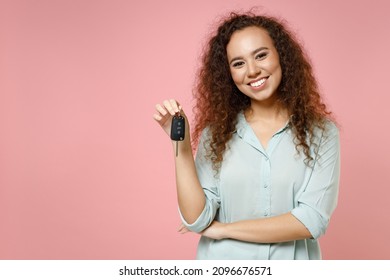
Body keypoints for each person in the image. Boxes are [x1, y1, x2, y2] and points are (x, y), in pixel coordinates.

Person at [153, 11, 340, 260]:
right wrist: (182, 146)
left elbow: (311, 221)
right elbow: (196, 219)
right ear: (228, 74)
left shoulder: (322, 133)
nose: (252, 71)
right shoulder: (216, 134)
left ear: (282, 56)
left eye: (261, 55)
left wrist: (223, 230)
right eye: (238, 63)